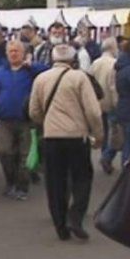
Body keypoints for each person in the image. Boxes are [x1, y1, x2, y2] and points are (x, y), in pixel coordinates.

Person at [29, 44, 103, 241]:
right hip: (76, 137)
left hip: (51, 136)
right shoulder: (79, 78)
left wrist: (47, 121)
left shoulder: (41, 79)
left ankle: (60, 226)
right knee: (82, 178)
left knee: (55, 182)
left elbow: (34, 111)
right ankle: (75, 216)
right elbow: (94, 112)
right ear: (73, 60)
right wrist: (98, 134)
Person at [0, 40, 43, 200]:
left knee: (25, 155)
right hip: (5, 120)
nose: (13, 54)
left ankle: (22, 187)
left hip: (27, 120)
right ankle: (10, 182)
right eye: (10, 51)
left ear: (23, 53)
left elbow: (47, 72)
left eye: (17, 51)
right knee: (4, 152)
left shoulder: (31, 71)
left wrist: (31, 65)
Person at [91, 37, 121, 174]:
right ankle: (106, 155)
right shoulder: (114, 63)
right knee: (113, 131)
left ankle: (103, 152)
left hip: (97, 101)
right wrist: (116, 102)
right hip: (110, 100)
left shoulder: (95, 63)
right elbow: (113, 86)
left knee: (101, 129)